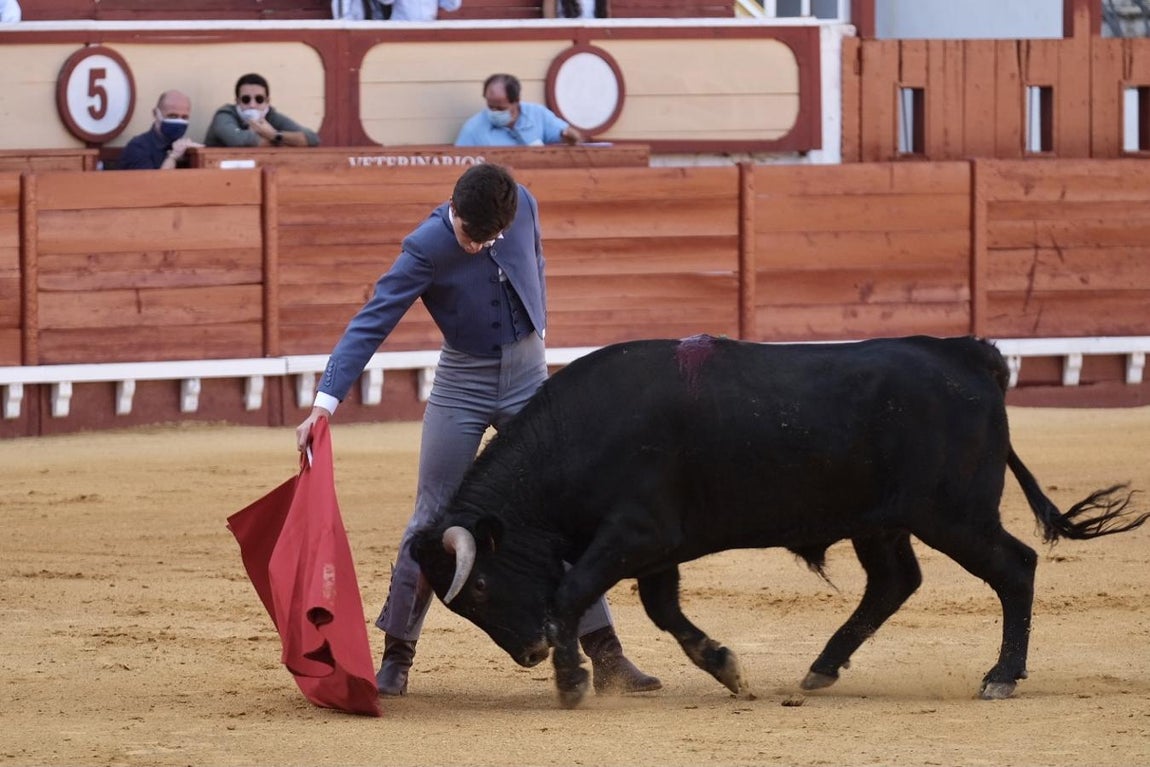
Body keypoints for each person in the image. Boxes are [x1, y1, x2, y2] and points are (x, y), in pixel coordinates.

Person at [294, 163, 661, 698]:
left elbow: (535, 258)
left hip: (528, 374)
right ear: (453, 209)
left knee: (565, 509)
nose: (474, 245)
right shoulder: (426, 246)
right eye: (468, 233)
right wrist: (323, 404)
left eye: (487, 236)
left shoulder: (525, 205)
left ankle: (606, 654)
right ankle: (397, 655)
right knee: (430, 514)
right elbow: (371, 321)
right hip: (461, 383)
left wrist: (539, 328)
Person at [455, 74, 585, 147]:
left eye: (500, 108)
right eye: (490, 106)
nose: (494, 112)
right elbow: (458, 161)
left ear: (516, 101)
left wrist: (571, 137)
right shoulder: (473, 128)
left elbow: (569, 136)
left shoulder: (537, 114)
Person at [203, 73, 320, 148]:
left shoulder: (271, 116)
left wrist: (274, 135)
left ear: (267, 101)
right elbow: (238, 140)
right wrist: (285, 142)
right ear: (237, 101)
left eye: (259, 99)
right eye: (246, 99)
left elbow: (312, 138)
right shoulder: (225, 114)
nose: (252, 105)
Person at [117, 90, 203, 170]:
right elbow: (153, 184)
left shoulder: (185, 149)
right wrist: (172, 157)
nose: (179, 121)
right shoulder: (138, 147)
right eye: (172, 116)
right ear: (155, 114)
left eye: (184, 117)